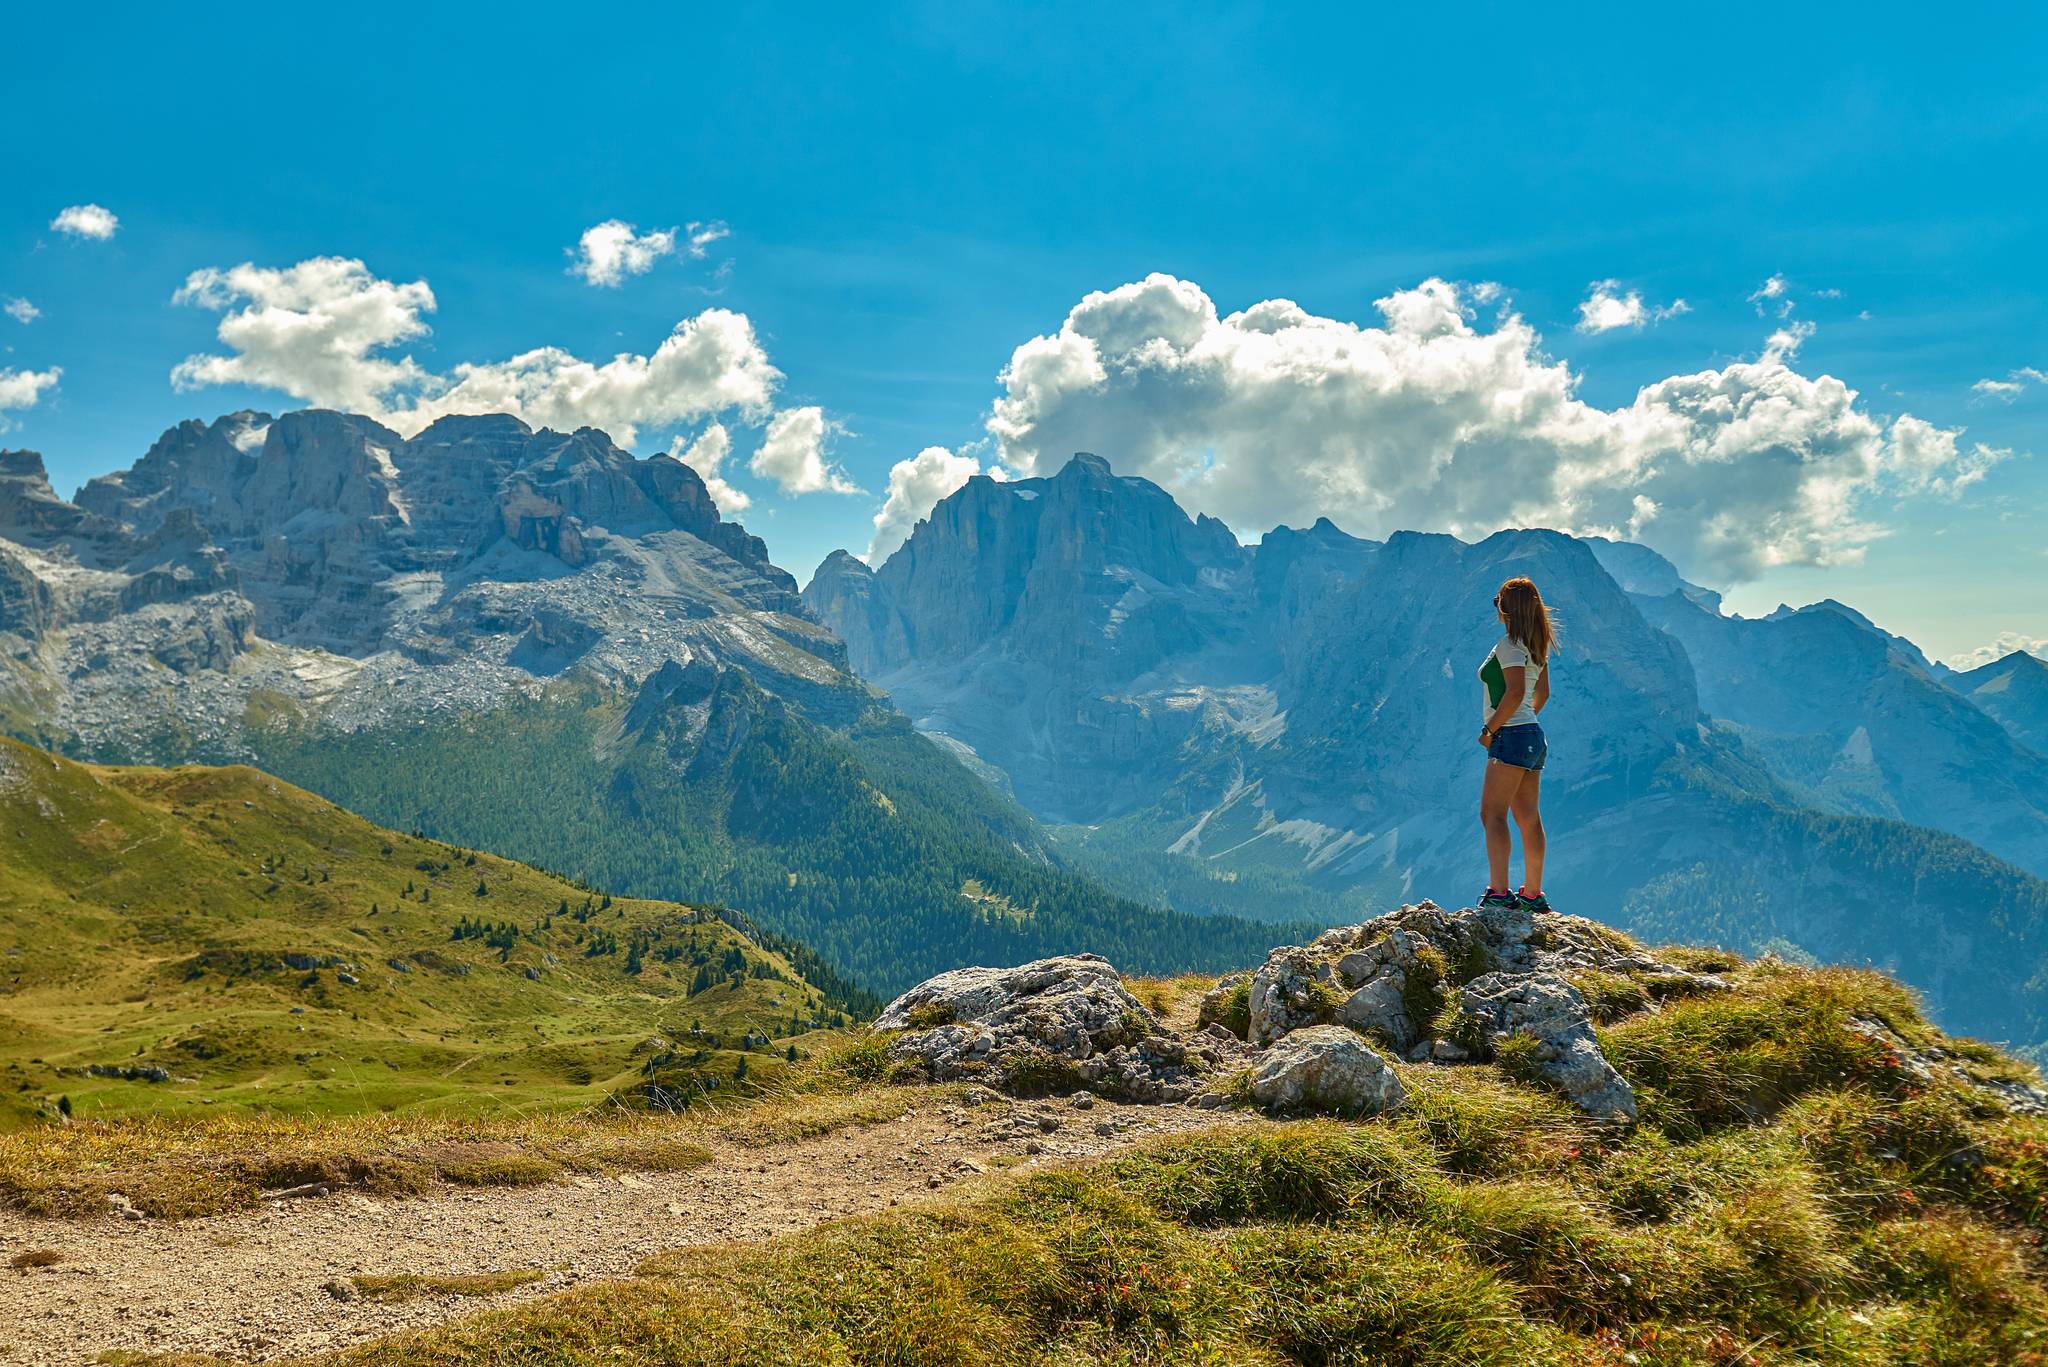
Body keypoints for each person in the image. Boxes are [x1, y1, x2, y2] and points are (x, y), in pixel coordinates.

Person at [1476, 577, 1554, 913]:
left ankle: (1499, 892)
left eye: (1498, 601)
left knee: (1492, 814)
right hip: (1533, 736)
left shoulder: (1509, 645)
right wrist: (1524, 723)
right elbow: (1543, 694)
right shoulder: (1537, 645)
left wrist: (1490, 730)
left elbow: (1516, 692)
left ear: (1508, 608)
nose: (1495, 606)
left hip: (1511, 735)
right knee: (1528, 818)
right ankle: (1533, 896)